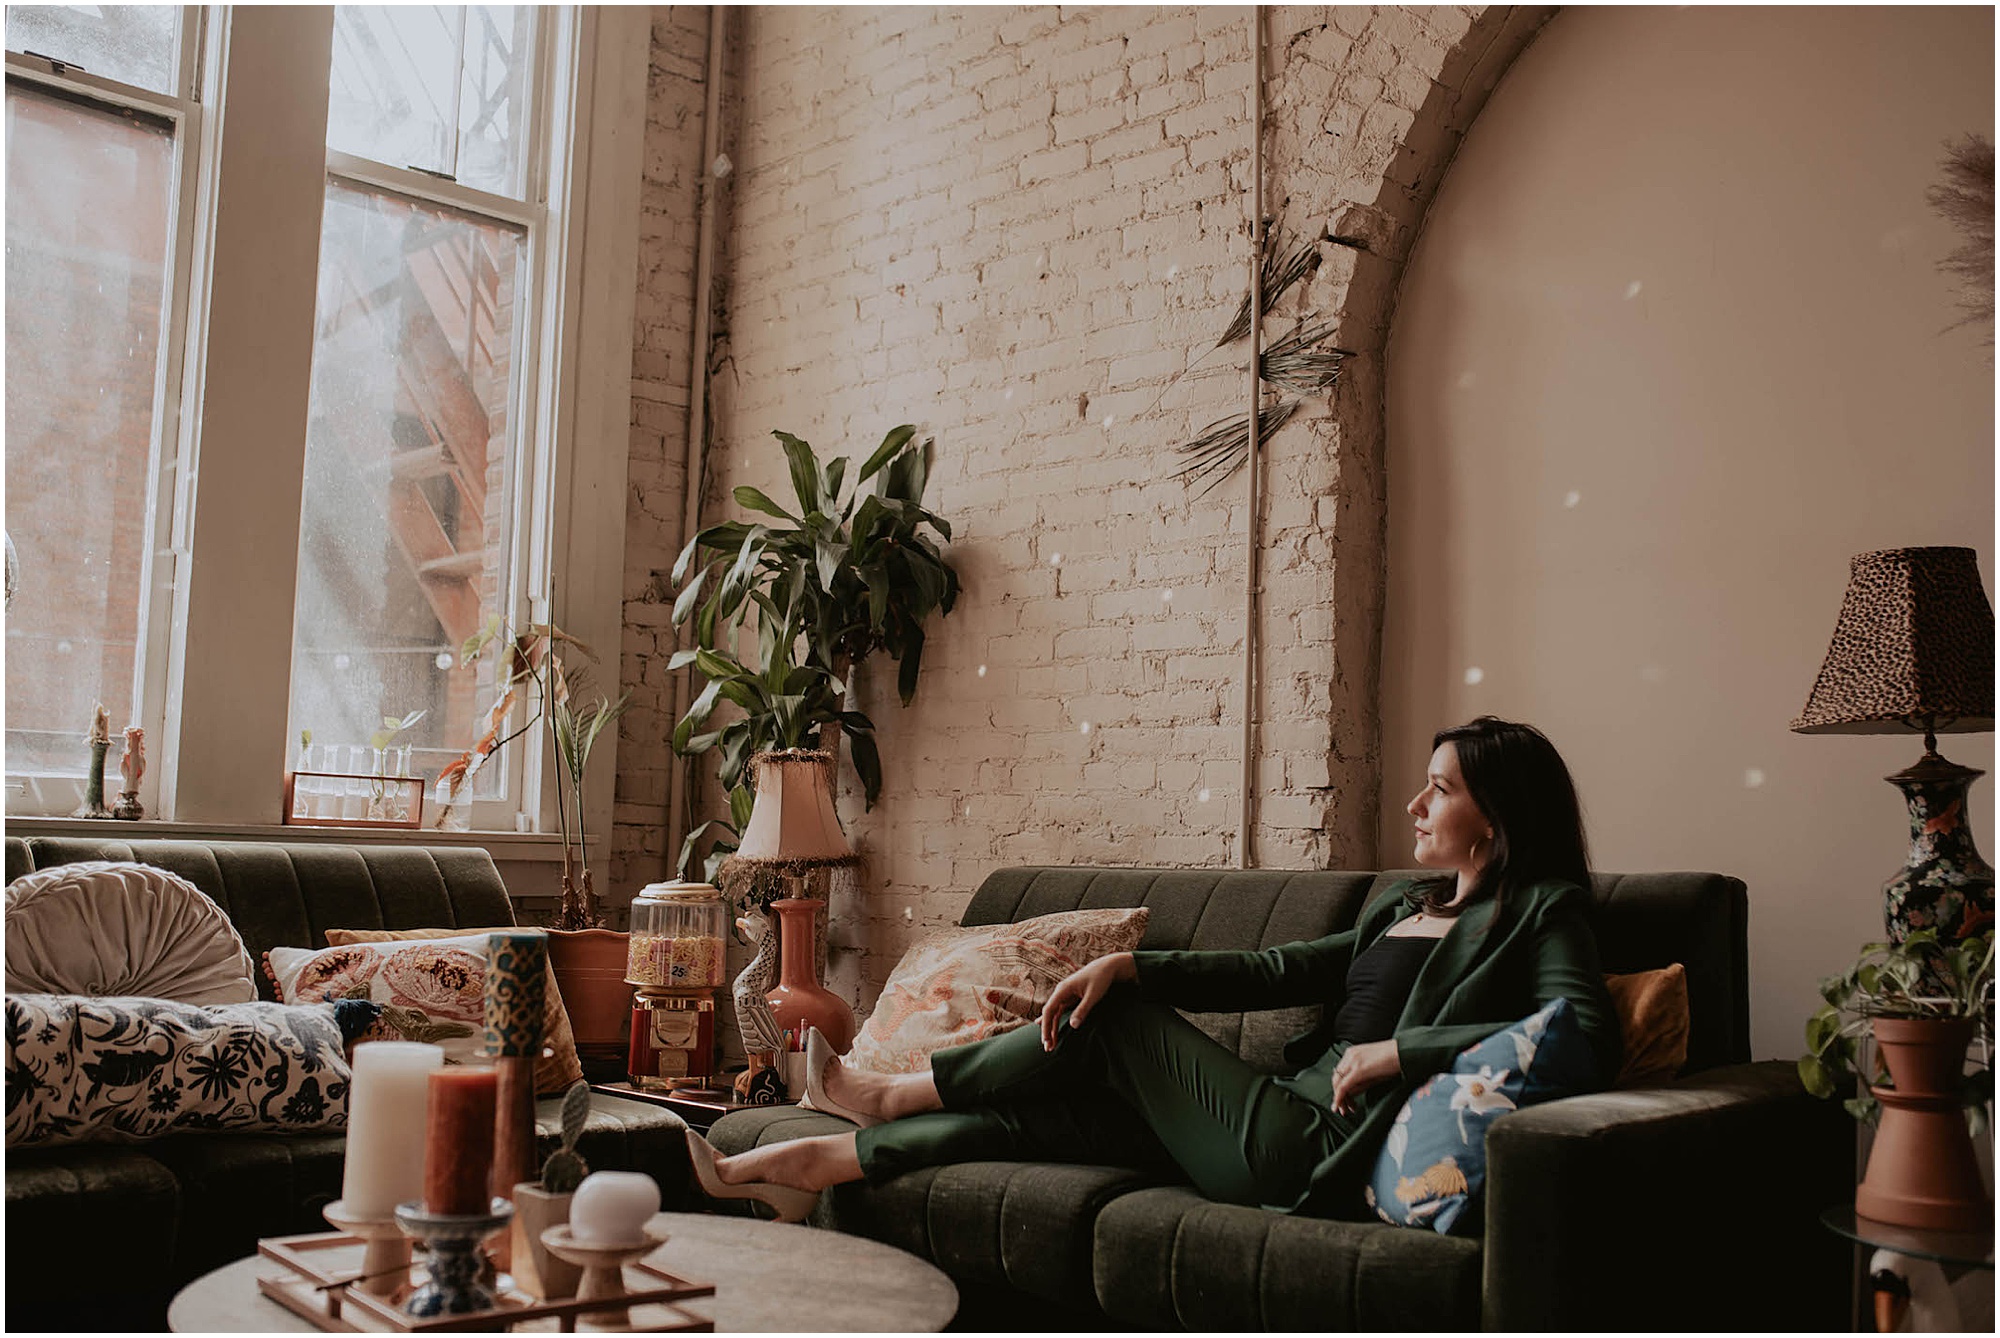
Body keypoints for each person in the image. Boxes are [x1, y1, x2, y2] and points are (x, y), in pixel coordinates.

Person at [685, 716, 1622, 1222]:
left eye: (1442, 789)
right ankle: (814, 1162)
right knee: (1042, 1115)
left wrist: (1402, 1054)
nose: (1417, 802)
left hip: (1316, 1147)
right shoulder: (1404, 906)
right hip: (1277, 1106)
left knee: (1116, 1031)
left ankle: (891, 1096)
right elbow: (1275, 968)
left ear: (1494, 818)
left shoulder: (1544, 913)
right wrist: (1131, 963)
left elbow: (1580, 1036)